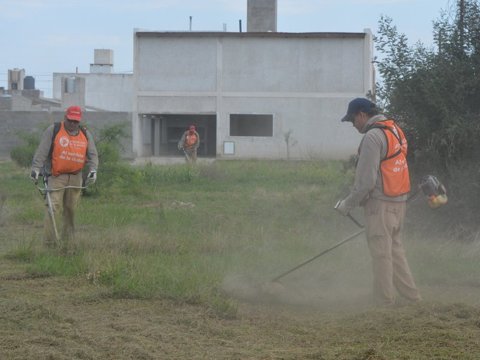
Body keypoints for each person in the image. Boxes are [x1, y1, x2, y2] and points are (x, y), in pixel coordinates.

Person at [336, 98, 421, 307]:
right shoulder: (395, 131)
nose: (353, 125)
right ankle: (412, 298)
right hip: (399, 202)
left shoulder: (373, 136)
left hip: (381, 205)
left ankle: (384, 302)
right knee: (395, 252)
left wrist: (346, 205)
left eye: (352, 120)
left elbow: (365, 182)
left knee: (381, 254)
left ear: (361, 115)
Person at [30, 105, 99, 248]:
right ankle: (49, 244)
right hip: (56, 176)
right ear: (65, 118)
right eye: (70, 120)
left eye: (76, 121)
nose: (73, 124)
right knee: (53, 208)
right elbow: (42, 151)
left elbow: (92, 154)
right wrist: (36, 169)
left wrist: (93, 170)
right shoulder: (54, 130)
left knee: (70, 209)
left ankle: (68, 243)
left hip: (76, 177)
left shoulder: (85, 134)